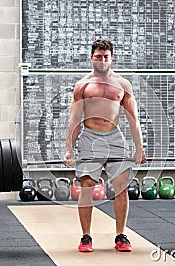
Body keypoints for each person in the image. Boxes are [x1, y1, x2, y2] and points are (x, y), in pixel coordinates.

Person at [63, 38, 147, 253]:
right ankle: (86, 237)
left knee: (121, 186)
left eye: (106, 57)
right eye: (98, 56)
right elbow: (74, 120)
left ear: (112, 58)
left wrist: (139, 148)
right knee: (87, 186)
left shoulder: (123, 85)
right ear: (92, 58)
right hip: (89, 137)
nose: (102, 60)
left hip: (115, 137)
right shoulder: (82, 85)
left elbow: (133, 119)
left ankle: (121, 235)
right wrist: (69, 150)